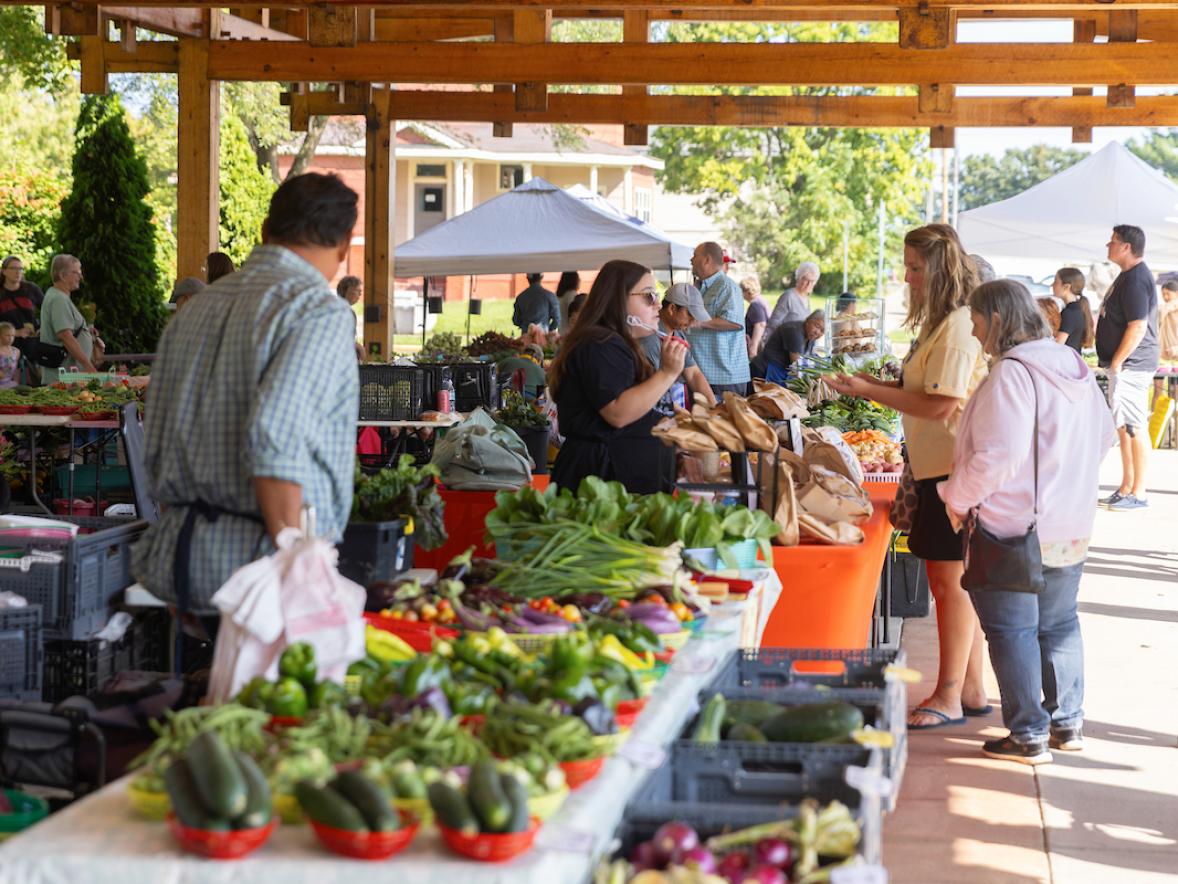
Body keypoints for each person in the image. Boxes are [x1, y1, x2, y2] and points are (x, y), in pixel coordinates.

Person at [131, 172, 361, 622]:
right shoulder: (319, 311)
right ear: (344, 245)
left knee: (216, 688)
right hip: (262, 567)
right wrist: (294, 565)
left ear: (264, 231)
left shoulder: (198, 308)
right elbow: (276, 440)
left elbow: (155, 434)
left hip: (182, 555)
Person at [939, 279, 1115, 764]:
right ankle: (1067, 723)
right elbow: (1104, 437)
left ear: (997, 319)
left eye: (976, 323)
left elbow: (998, 457)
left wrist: (955, 499)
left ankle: (1028, 735)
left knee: (1012, 630)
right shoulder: (1073, 365)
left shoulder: (1013, 374)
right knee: (1059, 624)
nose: (974, 335)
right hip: (1069, 523)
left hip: (1013, 527)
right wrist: (1067, 484)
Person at [828, 224, 988, 731]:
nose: (907, 276)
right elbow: (920, 387)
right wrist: (869, 384)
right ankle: (970, 687)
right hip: (941, 466)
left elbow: (942, 402)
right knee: (958, 583)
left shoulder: (958, 324)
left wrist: (871, 393)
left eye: (915, 268)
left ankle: (947, 694)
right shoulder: (944, 323)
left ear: (938, 269)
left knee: (949, 584)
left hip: (952, 470)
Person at [548, 259, 687, 495]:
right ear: (617, 299)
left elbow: (638, 404)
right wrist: (668, 373)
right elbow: (618, 412)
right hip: (600, 482)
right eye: (648, 296)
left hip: (620, 477)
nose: (658, 305)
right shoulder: (599, 344)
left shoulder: (617, 343)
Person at [1095, 224, 1159, 512]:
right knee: (1124, 427)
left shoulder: (1135, 280)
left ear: (1126, 247)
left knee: (1134, 426)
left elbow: (1138, 325)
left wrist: (1119, 361)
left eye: (1113, 241)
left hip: (1132, 365)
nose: (1108, 245)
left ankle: (1139, 491)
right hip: (1123, 365)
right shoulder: (1127, 277)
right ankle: (1127, 486)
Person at [634, 283, 717, 409]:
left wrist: (714, 408)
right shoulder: (649, 338)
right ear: (672, 309)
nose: (693, 321)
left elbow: (694, 374)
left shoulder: (677, 334)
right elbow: (648, 387)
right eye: (690, 314)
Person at [685, 242, 750, 396]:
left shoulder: (727, 287)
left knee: (723, 420)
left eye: (695, 256)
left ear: (707, 260)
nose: (691, 260)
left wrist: (699, 323)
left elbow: (734, 323)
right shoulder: (699, 287)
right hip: (704, 374)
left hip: (724, 378)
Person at [40, 254, 99, 382]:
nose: (81, 277)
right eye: (77, 272)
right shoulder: (59, 299)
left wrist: (86, 332)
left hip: (66, 376)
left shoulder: (58, 296)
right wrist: (87, 365)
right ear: (62, 275)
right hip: (63, 379)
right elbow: (65, 336)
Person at [751, 310, 825, 382]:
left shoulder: (810, 337)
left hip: (779, 373)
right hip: (763, 371)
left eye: (822, 331)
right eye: (817, 326)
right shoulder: (794, 331)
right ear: (808, 321)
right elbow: (797, 366)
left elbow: (809, 359)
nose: (817, 332)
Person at [0, 256, 44, 356]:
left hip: (33, 344)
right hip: (8, 349)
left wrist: (43, 328)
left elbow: (49, 311)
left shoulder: (31, 289)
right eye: (13, 268)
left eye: (20, 268)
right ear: (4, 271)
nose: (18, 272)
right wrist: (15, 332)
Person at [766, 261, 820, 336]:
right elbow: (773, 323)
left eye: (812, 281)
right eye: (806, 280)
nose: (809, 284)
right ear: (799, 279)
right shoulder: (788, 296)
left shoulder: (806, 298)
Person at [1051, 268, 1094, 353]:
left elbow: (1058, 345)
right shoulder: (1077, 309)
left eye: (1056, 282)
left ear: (1067, 287)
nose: (1052, 285)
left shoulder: (1069, 313)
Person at [336, 275, 365, 361]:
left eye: (361, 291)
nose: (360, 294)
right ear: (345, 290)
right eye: (357, 290)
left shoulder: (349, 311)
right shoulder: (338, 311)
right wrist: (356, 346)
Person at [742, 276, 769, 358]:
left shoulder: (755, 304)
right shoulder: (761, 300)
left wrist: (753, 348)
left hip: (759, 346)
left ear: (747, 291)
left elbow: (760, 324)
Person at [1160, 280, 1178, 363]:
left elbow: (1173, 304)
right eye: (1163, 294)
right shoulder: (1165, 307)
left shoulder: (1172, 305)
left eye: (1168, 294)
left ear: (1177, 293)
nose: (1165, 297)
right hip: (1166, 356)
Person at [0, 323, 20, 388]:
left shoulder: (16, 351)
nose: (11, 338)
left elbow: (17, 369)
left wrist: (16, 381)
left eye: (13, 335)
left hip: (9, 383)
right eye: (7, 335)